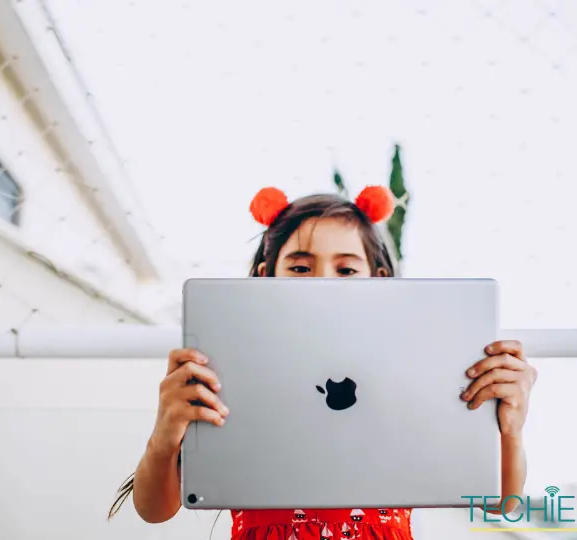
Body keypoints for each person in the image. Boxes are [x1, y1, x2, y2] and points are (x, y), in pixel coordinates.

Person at [109, 185, 537, 540]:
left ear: (379, 282)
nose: (323, 284)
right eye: (300, 267)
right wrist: (165, 432)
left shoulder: (415, 376)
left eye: (346, 270)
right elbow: (155, 509)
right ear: (264, 277)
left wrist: (509, 429)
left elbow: (502, 504)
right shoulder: (230, 369)